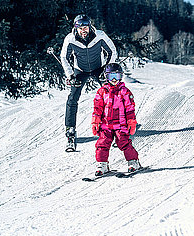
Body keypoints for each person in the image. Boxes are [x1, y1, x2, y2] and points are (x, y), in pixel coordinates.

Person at [60, 14, 118, 152]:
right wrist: (71, 75)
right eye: (80, 28)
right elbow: (64, 57)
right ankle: (70, 131)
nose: (83, 30)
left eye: (85, 27)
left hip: (99, 69)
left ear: (90, 26)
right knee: (73, 98)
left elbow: (112, 51)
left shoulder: (99, 35)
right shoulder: (70, 39)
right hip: (80, 70)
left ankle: (117, 128)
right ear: (76, 28)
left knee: (111, 95)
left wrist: (108, 70)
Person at [91, 63, 142, 176]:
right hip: (106, 125)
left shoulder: (125, 92)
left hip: (121, 125)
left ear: (121, 76)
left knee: (123, 143)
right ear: (106, 77)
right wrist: (96, 121)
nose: (114, 79)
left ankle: (133, 162)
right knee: (102, 144)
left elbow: (130, 108)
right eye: (111, 76)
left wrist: (131, 122)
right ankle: (102, 164)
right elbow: (97, 108)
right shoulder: (102, 92)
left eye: (117, 76)